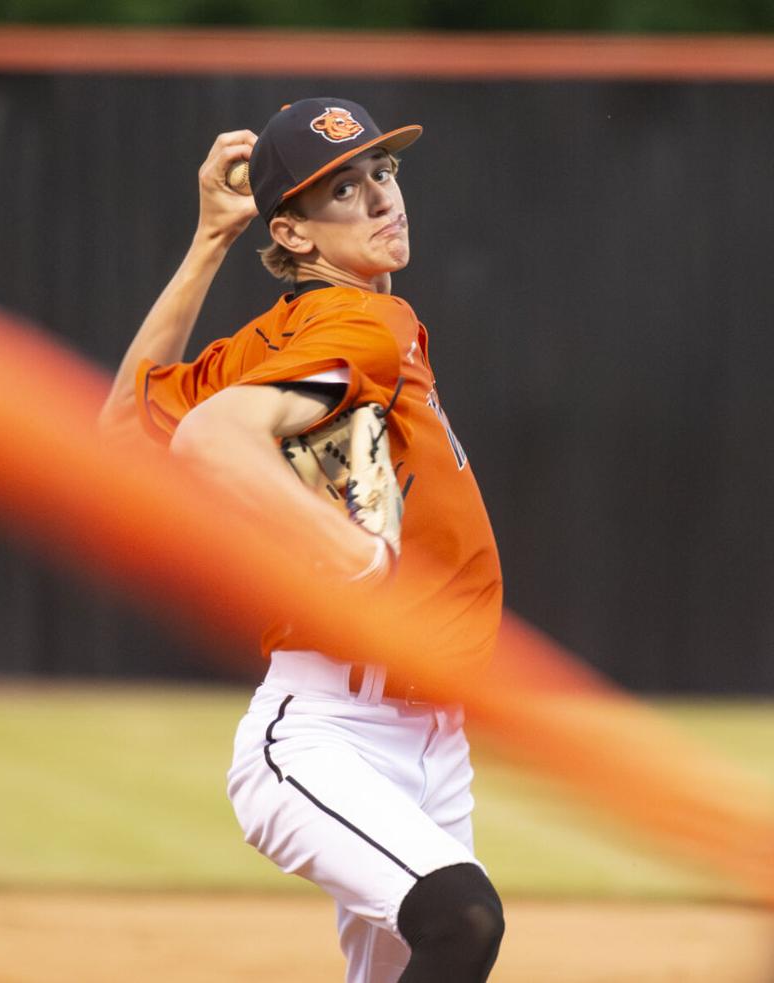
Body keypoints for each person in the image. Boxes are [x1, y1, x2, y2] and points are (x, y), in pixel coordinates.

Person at [98, 98, 505, 983]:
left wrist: (209, 239)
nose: (380, 197)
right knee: (462, 920)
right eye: (344, 190)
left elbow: (120, 434)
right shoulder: (361, 323)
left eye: (381, 173)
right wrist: (346, 548)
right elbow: (209, 438)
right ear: (295, 231)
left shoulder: (284, 338)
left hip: (430, 737)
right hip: (333, 726)